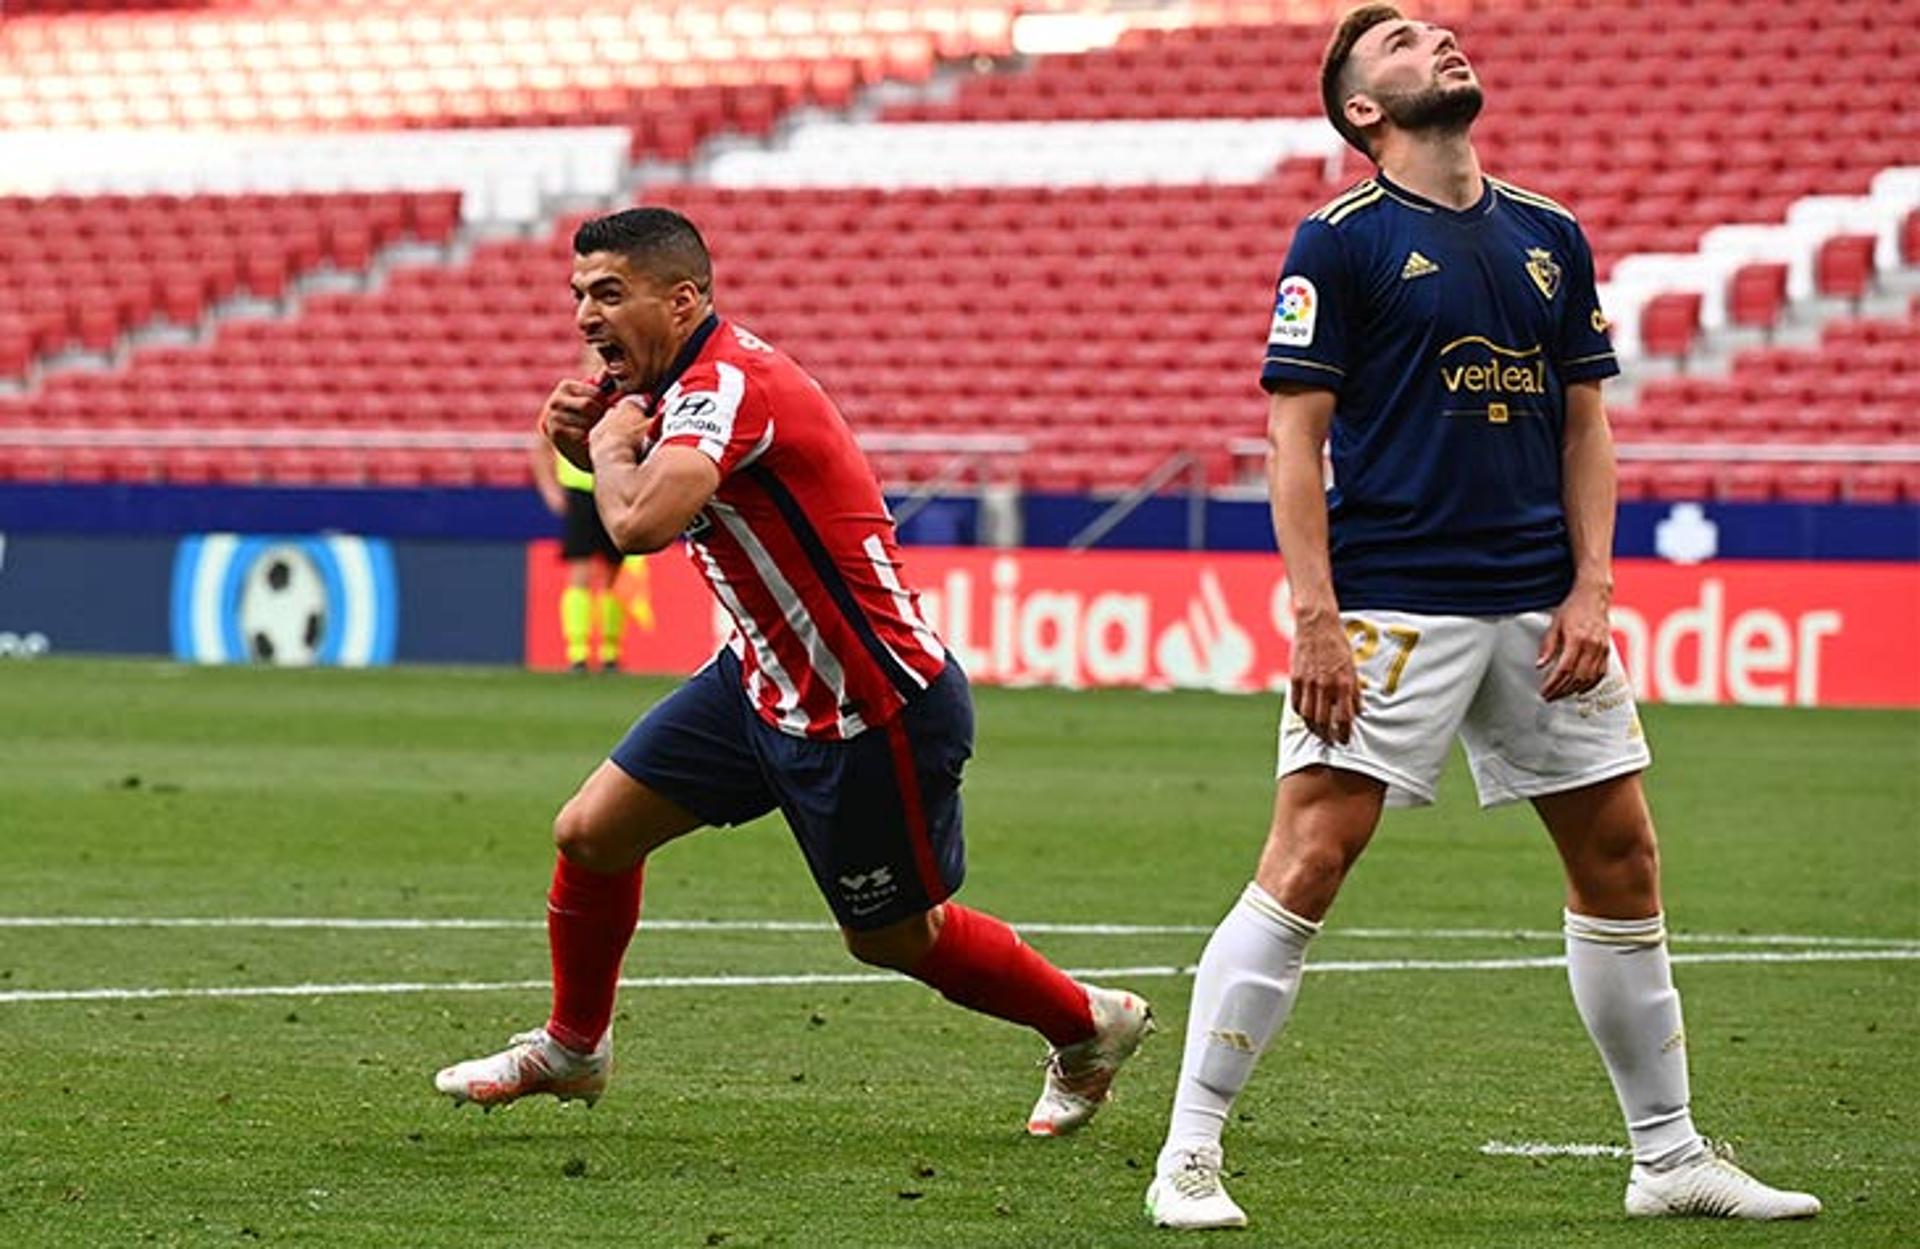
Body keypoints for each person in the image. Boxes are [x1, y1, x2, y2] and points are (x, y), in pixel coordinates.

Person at [1143, 5, 1820, 1230]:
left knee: (1622, 862)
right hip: (1395, 601)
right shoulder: (1337, 241)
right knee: (1307, 862)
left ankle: (1666, 1158)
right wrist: (1315, 615)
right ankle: (1188, 1154)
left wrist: (1594, 585)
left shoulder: (1552, 234)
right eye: (1401, 45)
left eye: (1441, 33)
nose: (1439, 43)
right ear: (1363, 110)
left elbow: (1584, 426)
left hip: (1541, 608)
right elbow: (1292, 440)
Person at [436, 207, 1152, 1137]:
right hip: (757, 679)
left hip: (867, 707)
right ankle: (576, 1049)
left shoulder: (728, 385)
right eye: (578, 295)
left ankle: (1088, 1024)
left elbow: (642, 522)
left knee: (892, 937)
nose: (584, 316)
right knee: (591, 835)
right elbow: (667, 494)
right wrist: (595, 449)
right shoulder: (685, 389)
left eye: (609, 293)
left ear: (683, 297)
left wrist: (606, 451)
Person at [528, 363, 640, 674]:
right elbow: (541, 444)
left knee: (613, 574)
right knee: (580, 570)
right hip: (580, 492)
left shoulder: (628, 399)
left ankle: (609, 652)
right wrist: (551, 490)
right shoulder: (573, 396)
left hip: (613, 490)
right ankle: (577, 652)